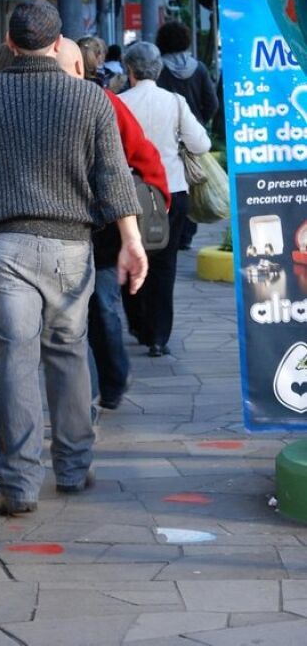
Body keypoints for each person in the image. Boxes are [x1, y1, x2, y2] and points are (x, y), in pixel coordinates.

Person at [0, 0, 147, 516]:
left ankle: (18, 486)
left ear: (8, 43)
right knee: (69, 351)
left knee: (17, 358)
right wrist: (132, 239)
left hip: (5, 246)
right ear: (59, 45)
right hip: (70, 247)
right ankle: (74, 467)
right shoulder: (90, 100)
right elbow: (113, 178)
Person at [57, 39, 169, 410]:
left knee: (102, 309)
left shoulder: (107, 104)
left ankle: (112, 380)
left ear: (78, 70)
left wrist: (155, 201)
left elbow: (142, 154)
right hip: (59, 228)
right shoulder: (36, 105)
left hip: (104, 230)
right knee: (72, 317)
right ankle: (86, 389)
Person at [120, 41, 211, 356]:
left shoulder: (117, 103)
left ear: (128, 69)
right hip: (170, 191)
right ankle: (158, 336)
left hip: (128, 193)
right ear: (157, 69)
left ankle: (137, 322)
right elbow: (200, 144)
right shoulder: (175, 101)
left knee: (131, 255)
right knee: (164, 264)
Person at [155, 20, 219, 250]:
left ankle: (171, 231)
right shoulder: (199, 68)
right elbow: (212, 103)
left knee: (171, 184)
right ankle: (187, 236)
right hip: (194, 138)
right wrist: (200, 122)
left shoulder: (158, 69)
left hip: (166, 138)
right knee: (194, 186)